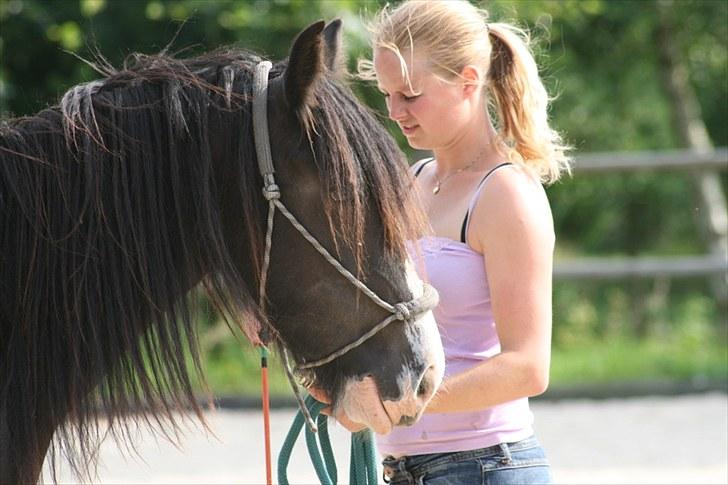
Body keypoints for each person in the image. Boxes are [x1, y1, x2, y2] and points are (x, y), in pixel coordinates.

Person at [311, 1, 571, 483]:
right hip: (408, 471)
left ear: (468, 82)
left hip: (485, 466)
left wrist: (396, 406)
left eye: (410, 95)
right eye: (387, 94)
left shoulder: (505, 194)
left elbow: (528, 367)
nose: (394, 112)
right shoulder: (412, 181)